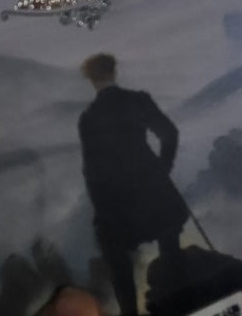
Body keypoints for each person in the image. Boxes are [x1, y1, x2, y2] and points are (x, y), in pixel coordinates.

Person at [78, 54, 188, 316]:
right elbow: (169, 134)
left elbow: (91, 170)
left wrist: (103, 210)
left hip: (118, 202)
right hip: (154, 192)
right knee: (169, 235)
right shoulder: (138, 100)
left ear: (91, 80)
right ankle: (181, 298)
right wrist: (163, 168)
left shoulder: (89, 118)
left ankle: (129, 311)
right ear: (114, 72)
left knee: (116, 257)